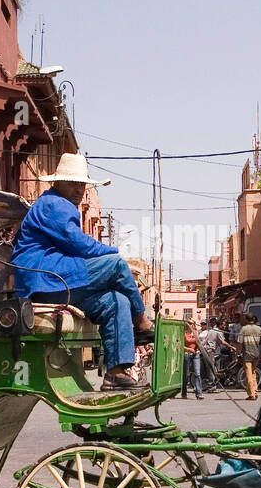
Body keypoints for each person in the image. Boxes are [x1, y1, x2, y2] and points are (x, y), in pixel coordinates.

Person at [11, 153, 154, 389]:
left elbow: (74, 246)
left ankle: (115, 373)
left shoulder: (57, 204)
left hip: (59, 280)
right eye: (73, 184)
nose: (79, 190)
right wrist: (113, 250)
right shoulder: (55, 205)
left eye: (82, 185)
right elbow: (79, 243)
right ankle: (142, 323)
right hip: (45, 279)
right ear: (57, 183)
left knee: (116, 300)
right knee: (116, 264)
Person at [238, 313, 261, 400]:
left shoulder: (244, 329)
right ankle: (255, 390)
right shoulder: (259, 328)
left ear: (246, 319)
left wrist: (237, 353)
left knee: (248, 374)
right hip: (256, 354)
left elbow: (240, 342)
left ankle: (252, 394)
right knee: (253, 373)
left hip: (247, 354)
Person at [181, 320, 204, 399]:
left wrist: (198, 349)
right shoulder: (183, 333)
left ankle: (199, 393)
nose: (191, 325)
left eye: (192, 323)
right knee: (186, 374)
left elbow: (199, 342)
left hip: (196, 354)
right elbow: (180, 345)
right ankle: (184, 392)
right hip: (187, 354)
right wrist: (187, 349)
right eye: (190, 323)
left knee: (197, 373)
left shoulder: (195, 333)